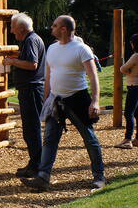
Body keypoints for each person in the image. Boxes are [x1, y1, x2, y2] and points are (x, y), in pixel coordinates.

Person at [21, 15, 106, 191]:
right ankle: (43, 178)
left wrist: (95, 101)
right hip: (55, 100)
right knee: (50, 139)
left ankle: (99, 177)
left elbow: (93, 76)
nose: (51, 28)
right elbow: (49, 76)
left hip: (78, 99)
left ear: (63, 29)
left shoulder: (82, 49)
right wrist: (46, 100)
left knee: (89, 138)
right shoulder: (51, 48)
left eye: (54, 25)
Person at [2, 13, 46, 178]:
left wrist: (12, 62)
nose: (12, 31)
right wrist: (17, 57)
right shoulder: (31, 40)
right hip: (30, 89)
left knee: (32, 129)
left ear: (21, 28)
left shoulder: (30, 40)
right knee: (30, 129)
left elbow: (32, 64)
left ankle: (37, 166)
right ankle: (35, 163)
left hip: (32, 89)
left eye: (13, 27)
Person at [115, 33, 138, 149]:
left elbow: (122, 68)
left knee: (128, 113)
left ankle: (127, 140)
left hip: (134, 87)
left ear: (134, 44)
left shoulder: (136, 56)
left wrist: (129, 72)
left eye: (131, 42)